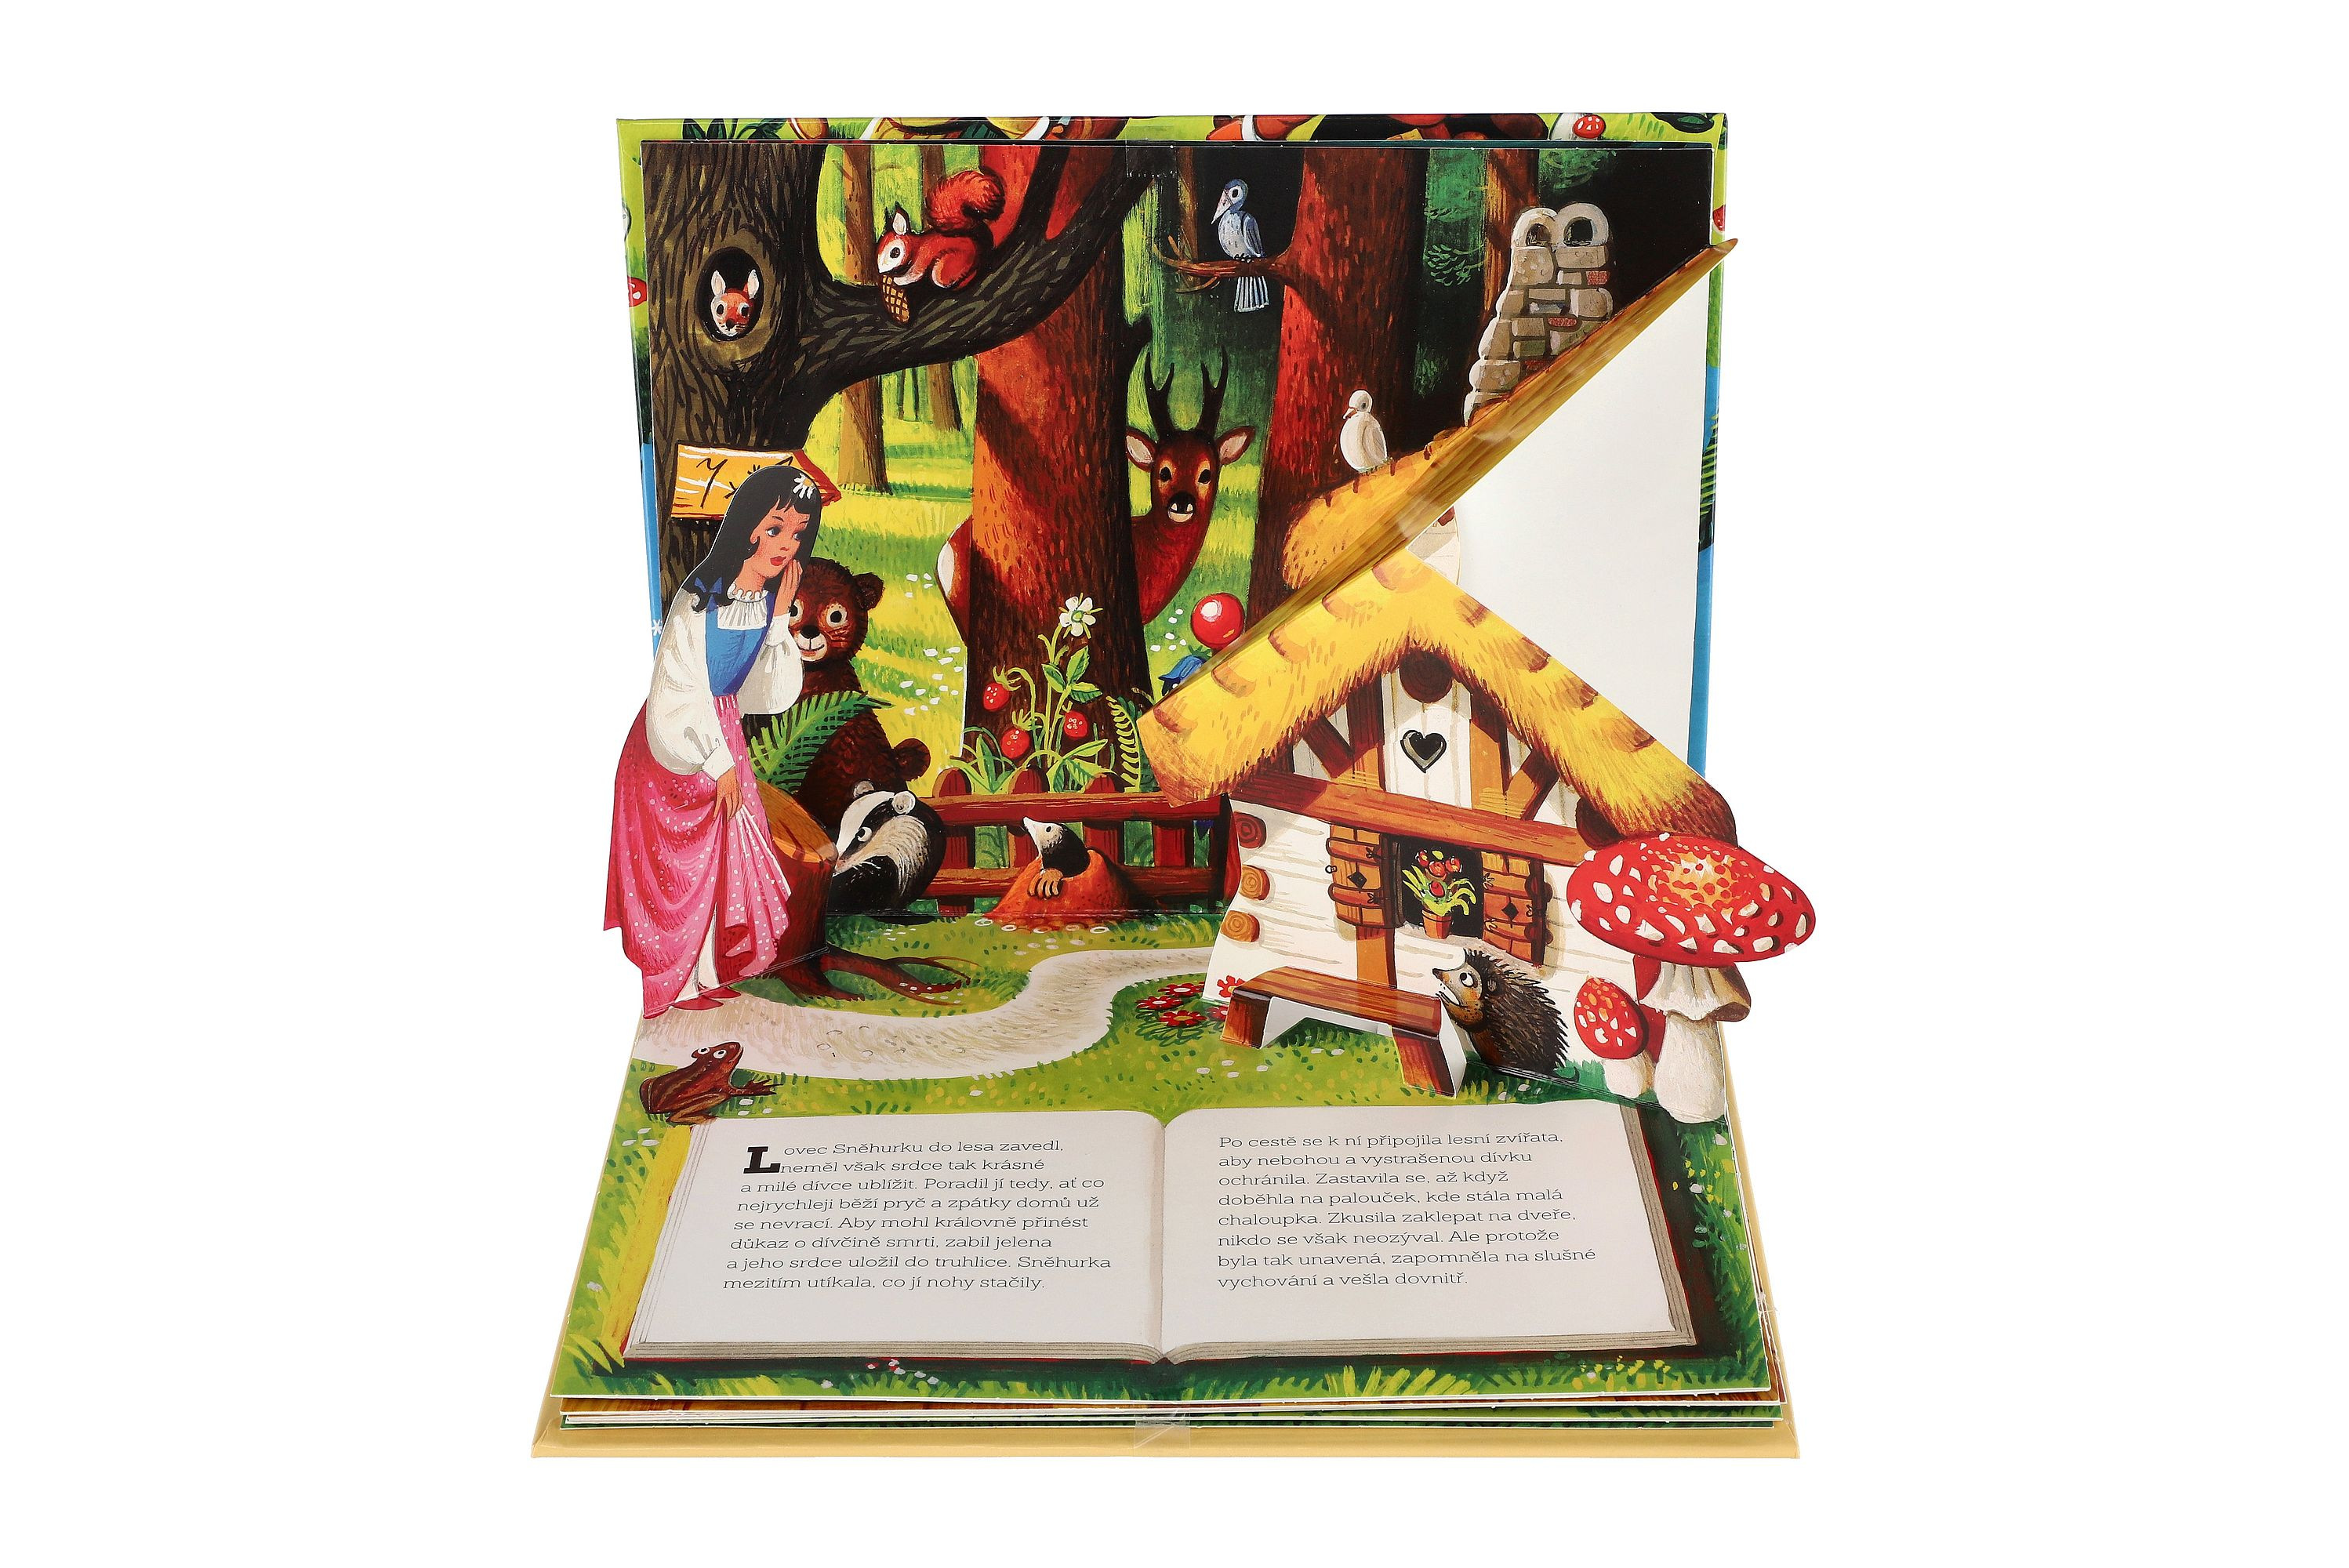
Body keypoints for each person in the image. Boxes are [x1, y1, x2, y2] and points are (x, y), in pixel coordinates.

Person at [605, 463, 819, 1017]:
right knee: (684, 866)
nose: (786, 544)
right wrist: (716, 761)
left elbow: (767, 695)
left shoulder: (764, 602)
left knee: (725, 855)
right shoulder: (699, 598)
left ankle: (707, 973)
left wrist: (778, 621)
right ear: (748, 527)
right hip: (675, 744)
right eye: (775, 528)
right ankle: (676, 983)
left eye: (797, 534)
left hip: (724, 732)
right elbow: (681, 686)